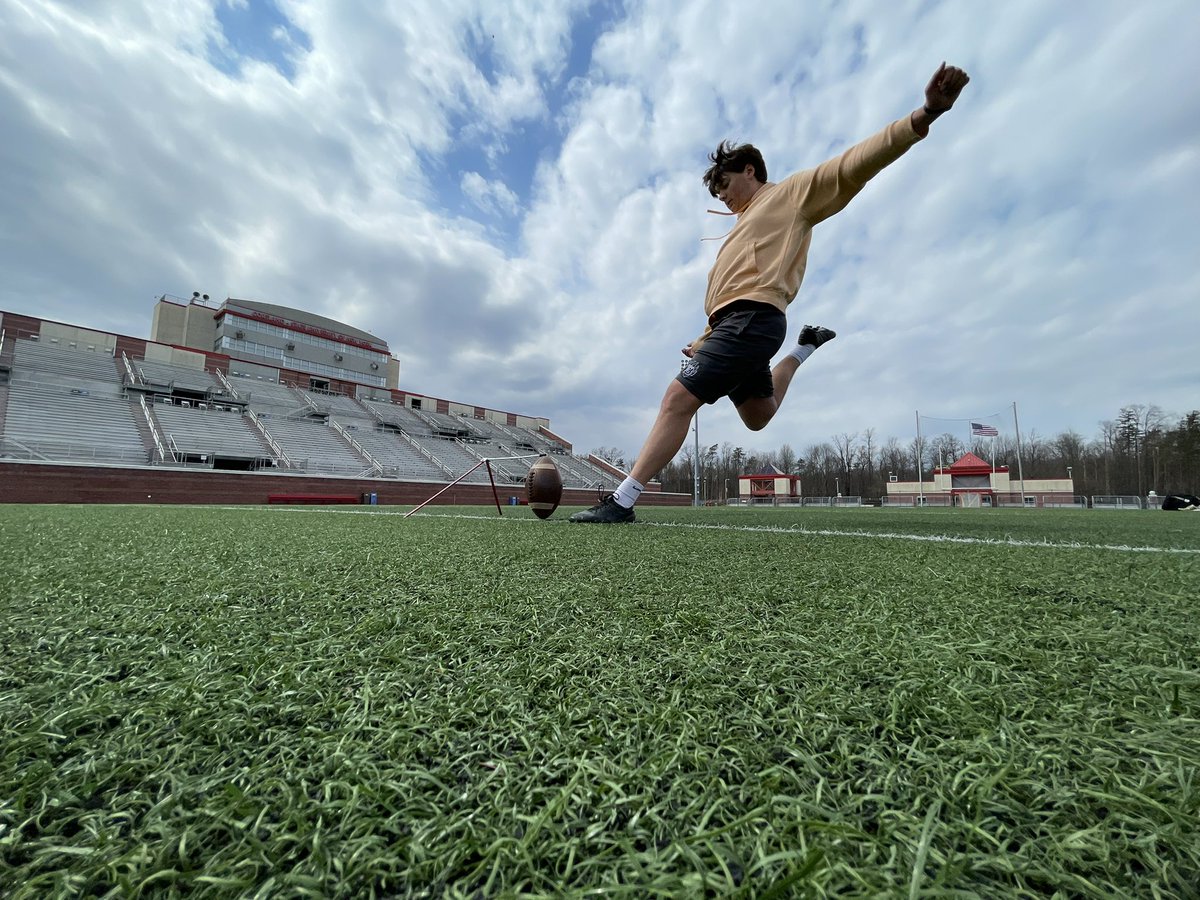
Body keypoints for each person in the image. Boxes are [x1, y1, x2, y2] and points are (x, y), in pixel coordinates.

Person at [570, 62, 970, 523]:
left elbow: (852, 165)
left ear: (750, 169)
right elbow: (727, 293)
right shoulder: (739, 231)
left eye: (724, 184)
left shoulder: (791, 195)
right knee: (759, 415)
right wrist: (704, 339)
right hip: (739, 327)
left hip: (754, 320)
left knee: (676, 401)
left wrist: (923, 116)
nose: (720, 195)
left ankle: (622, 501)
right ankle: (803, 349)